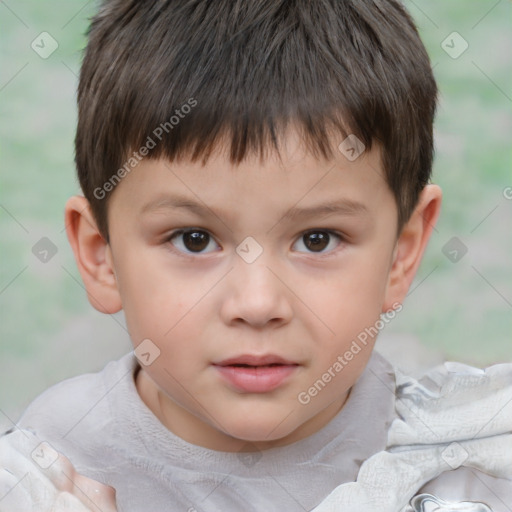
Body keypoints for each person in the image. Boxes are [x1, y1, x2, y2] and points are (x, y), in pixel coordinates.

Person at [1, 0, 511, 511]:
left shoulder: (461, 465)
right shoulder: (50, 465)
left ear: (402, 254)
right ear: (101, 256)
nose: (258, 302)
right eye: (193, 239)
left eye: (317, 239)